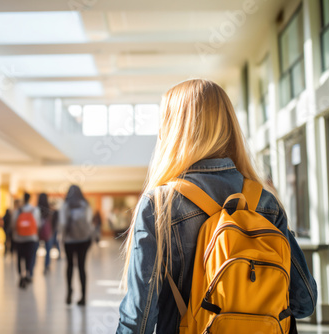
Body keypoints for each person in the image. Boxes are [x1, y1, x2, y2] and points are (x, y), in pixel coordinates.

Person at [116, 79, 317, 333]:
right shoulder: (265, 203)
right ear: (229, 126)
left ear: (173, 132)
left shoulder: (159, 205)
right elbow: (305, 302)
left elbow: (139, 320)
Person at [60, 185, 93, 306]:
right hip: (83, 240)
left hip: (69, 240)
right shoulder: (85, 204)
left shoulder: (66, 205)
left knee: (69, 266)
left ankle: (69, 292)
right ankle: (83, 296)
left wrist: (62, 239)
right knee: (81, 267)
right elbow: (89, 223)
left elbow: (63, 224)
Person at [11, 192, 40, 289]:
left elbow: (13, 224)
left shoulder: (18, 211)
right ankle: (28, 273)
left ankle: (21, 275)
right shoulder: (35, 210)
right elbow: (38, 224)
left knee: (20, 258)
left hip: (19, 238)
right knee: (30, 257)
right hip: (32, 238)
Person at [38, 193, 54, 274]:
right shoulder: (49, 209)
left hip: (37, 232)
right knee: (48, 250)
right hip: (47, 232)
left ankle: (31, 269)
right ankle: (46, 266)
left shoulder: (37, 209)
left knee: (34, 251)